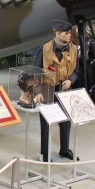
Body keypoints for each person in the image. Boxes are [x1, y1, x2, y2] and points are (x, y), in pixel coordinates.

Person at [34, 20, 78, 162]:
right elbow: (36, 72)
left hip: (64, 91)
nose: (69, 35)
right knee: (46, 122)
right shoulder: (45, 48)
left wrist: (70, 80)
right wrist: (38, 92)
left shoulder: (73, 49)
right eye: (66, 33)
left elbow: (76, 70)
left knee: (66, 120)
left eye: (69, 33)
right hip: (47, 90)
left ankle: (64, 149)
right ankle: (45, 153)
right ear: (58, 34)